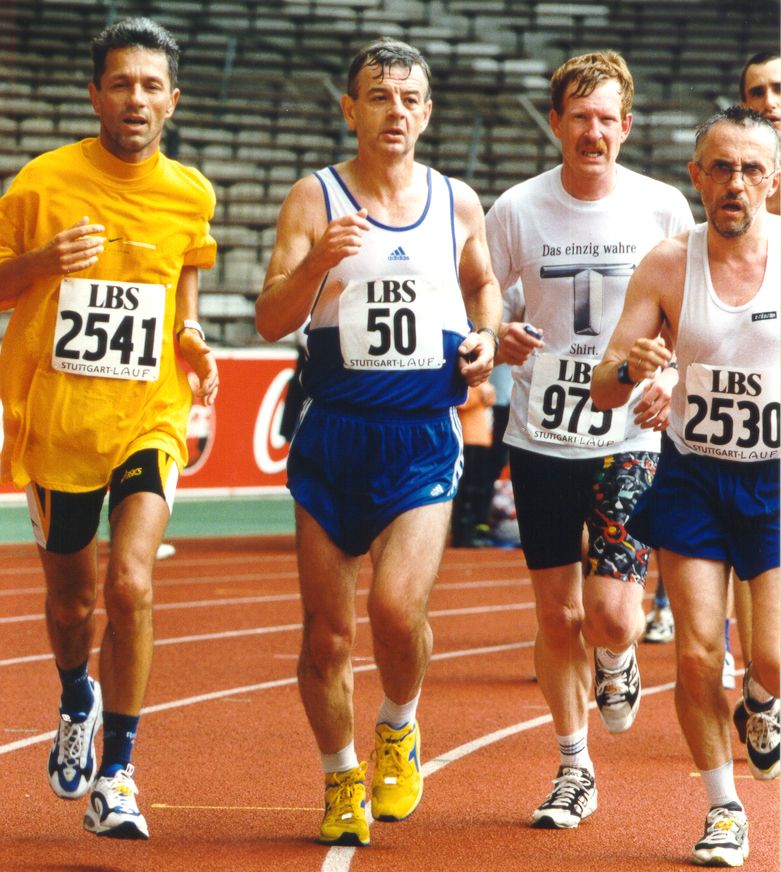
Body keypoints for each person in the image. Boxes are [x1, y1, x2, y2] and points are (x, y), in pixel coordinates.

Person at [255, 37, 501, 848]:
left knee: (395, 610)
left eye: (409, 98)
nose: (395, 110)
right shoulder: (314, 197)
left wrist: (485, 335)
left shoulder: (455, 200)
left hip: (421, 435)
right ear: (349, 109)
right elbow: (270, 318)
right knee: (327, 634)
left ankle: (398, 723)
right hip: (333, 435)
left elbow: (481, 284)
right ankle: (339, 778)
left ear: (426, 113)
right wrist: (316, 266)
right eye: (378, 96)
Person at [0, 17, 218, 839]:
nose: (136, 98)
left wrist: (191, 339)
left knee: (130, 583)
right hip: (58, 423)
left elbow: (183, 283)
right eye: (121, 83)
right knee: (72, 604)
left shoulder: (190, 192)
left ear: (173, 100)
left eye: (151, 85)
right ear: (95, 95)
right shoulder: (41, 183)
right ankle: (74, 698)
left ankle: (118, 775)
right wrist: (41, 264)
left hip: (147, 415)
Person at [484, 50, 694, 829]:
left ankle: (617, 654)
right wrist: (495, 336)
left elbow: (694, 314)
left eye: (606, 118)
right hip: (540, 433)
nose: (592, 132)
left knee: (609, 614)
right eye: (578, 117)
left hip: (628, 432)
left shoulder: (661, 208)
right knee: (554, 615)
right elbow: (482, 297)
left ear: (626, 126)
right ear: (555, 123)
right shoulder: (516, 209)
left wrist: (673, 377)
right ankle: (573, 767)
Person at [591, 105, 780, 867]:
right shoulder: (668, 263)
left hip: (773, 479)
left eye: (750, 168)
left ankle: (762, 700)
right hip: (694, 475)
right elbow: (603, 384)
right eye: (720, 167)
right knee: (698, 655)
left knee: (770, 659)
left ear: (772, 179)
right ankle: (723, 809)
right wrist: (631, 366)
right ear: (696, 177)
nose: (734, 182)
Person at [452, 381, 496, 547]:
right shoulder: (468, 384)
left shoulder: (483, 384)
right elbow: (462, 403)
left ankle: (474, 529)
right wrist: (479, 391)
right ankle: (462, 533)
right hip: (467, 438)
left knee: (478, 487)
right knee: (466, 488)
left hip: (481, 439)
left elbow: (490, 400)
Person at [739, 51, 780, 215]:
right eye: (757, 93)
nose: (769, 102)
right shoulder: (732, 173)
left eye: (779, 89)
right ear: (744, 107)